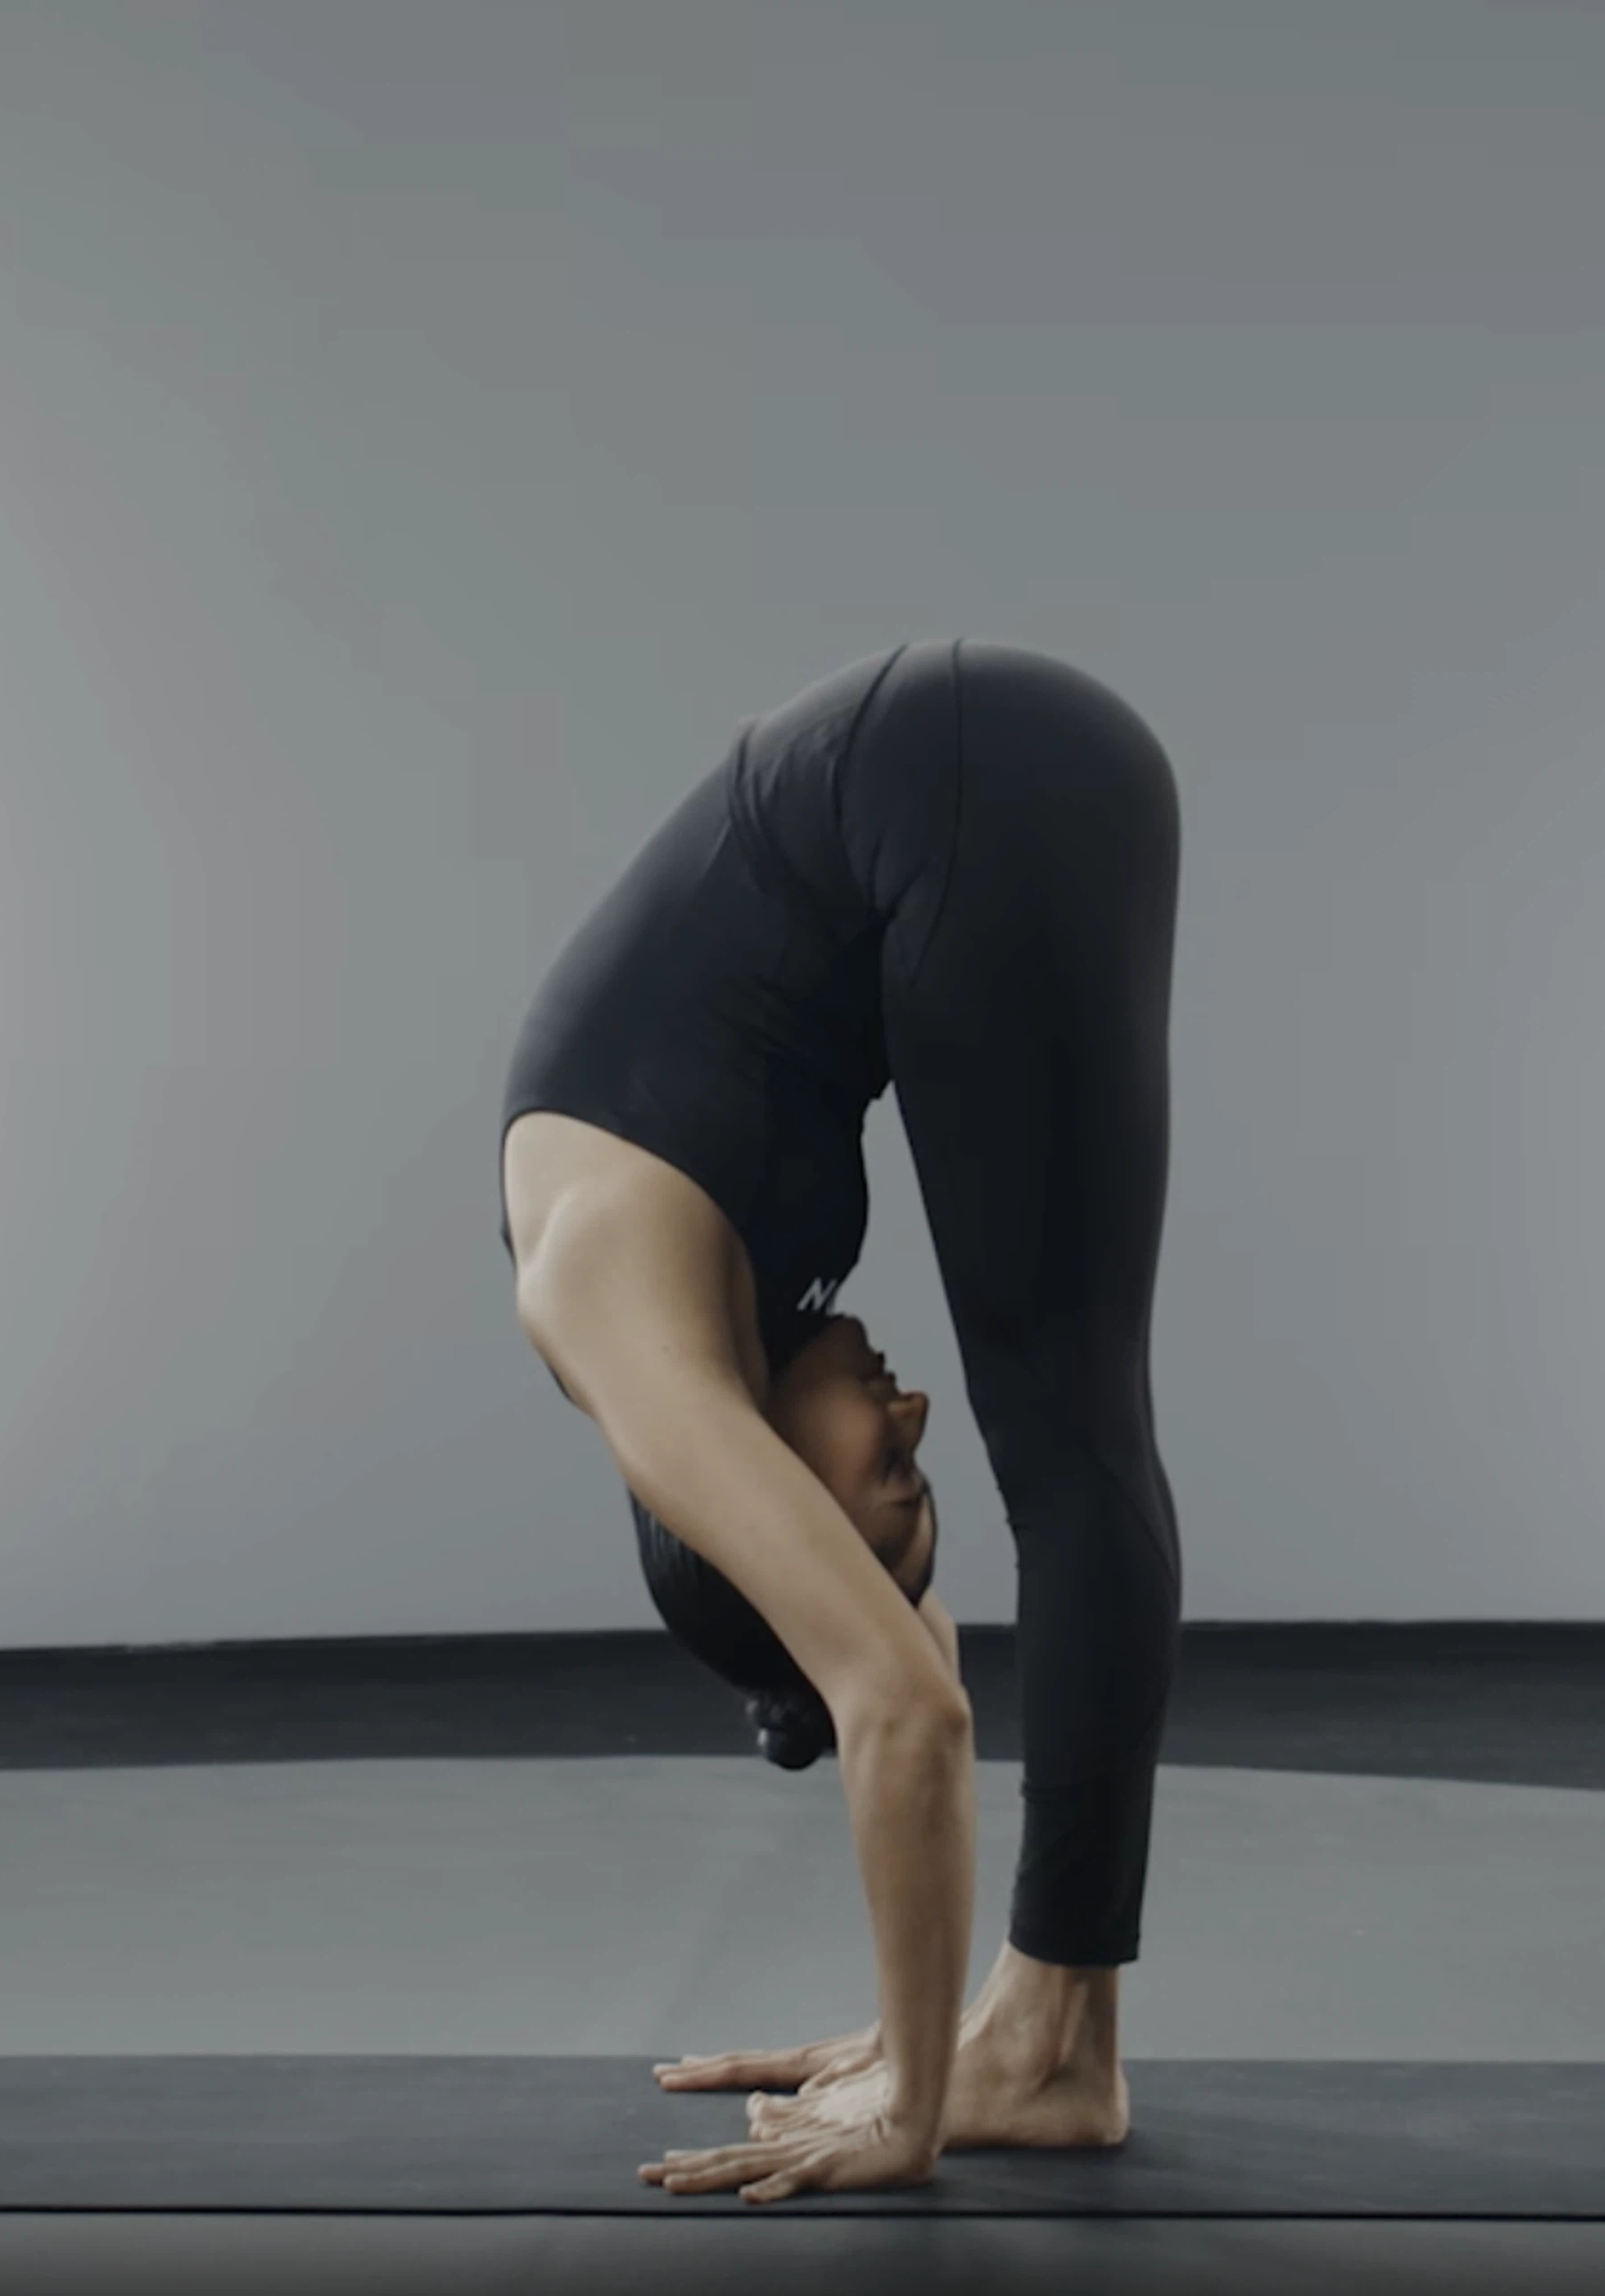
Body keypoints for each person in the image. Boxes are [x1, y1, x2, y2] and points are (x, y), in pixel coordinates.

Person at [496, 638, 1184, 2205]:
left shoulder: (612, 1300)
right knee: (1081, 1445)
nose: (909, 1407)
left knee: (1072, 1457)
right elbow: (910, 1652)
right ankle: (1053, 2032)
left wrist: (908, 2111)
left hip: (966, 769)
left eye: (883, 1473)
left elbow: (904, 1704)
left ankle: (1056, 2047)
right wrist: (910, 2018)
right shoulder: (732, 1321)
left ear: (767, 1502)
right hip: (1014, 776)